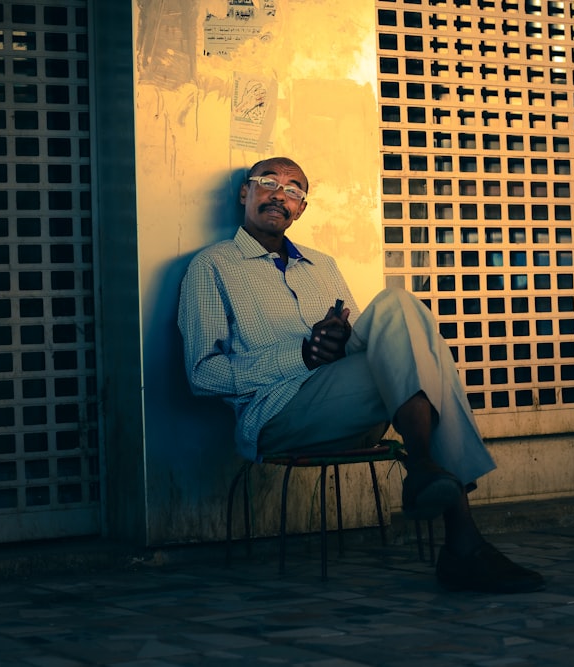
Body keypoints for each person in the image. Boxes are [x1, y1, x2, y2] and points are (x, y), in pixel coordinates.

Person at [178, 156, 543, 593]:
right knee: (424, 357)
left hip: (349, 410)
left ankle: (427, 469)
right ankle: (455, 526)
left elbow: (362, 345)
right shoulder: (212, 267)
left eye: (293, 190)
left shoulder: (323, 265)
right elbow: (202, 375)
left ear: (301, 209)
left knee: (398, 305)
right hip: (279, 417)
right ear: (245, 192)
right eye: (268, 182)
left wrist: (334, 341)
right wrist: (301, 354)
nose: (280, 194)